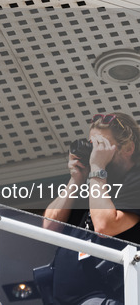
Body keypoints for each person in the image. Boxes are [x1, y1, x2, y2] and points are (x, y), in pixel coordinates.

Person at [42, 112, 140, 304]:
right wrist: (76, 179)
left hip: (106, 295)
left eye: (101, 146)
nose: (95, 153)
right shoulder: (95, 182)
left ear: (128, 148)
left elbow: (105, 227)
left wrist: (97, 169)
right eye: (92, 145)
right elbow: (49, 227)